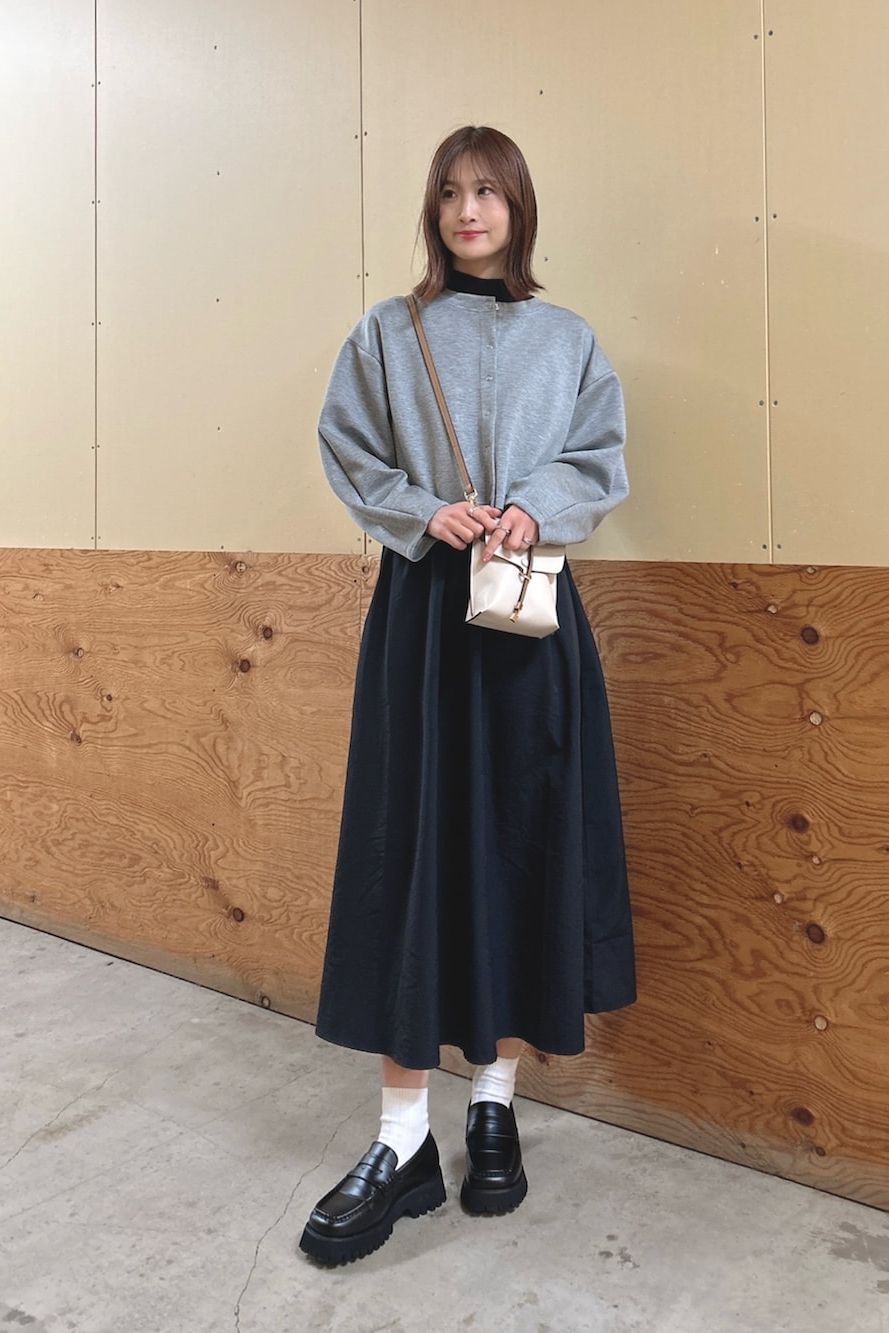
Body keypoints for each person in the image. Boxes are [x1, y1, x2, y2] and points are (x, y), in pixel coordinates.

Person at [300, 125, 636, 1266]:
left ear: (518, 207)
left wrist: (535, 503)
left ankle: (494, 1103)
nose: (467, 210)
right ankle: (402, 1136)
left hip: (530, 618)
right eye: (449, 191)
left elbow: (598, 455)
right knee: (411, 847)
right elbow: (349, 446)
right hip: (423, 619)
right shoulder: (387, 332)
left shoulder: (566, 337)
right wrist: (418, 509)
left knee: (522, 841)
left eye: (487, 190)